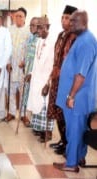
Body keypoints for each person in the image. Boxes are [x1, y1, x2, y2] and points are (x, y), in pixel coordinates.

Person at [54, 10, 97, 173]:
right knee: (78, 130)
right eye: (70, 21)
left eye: (74, 22)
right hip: (76, 96)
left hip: (78, 97)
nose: (70, 24)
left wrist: (71, 95)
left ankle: (71, 163)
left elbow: (81, 75)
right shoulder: (81, 39)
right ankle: (78, 157)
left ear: (84, 23)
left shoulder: (86, 42)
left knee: (74, 131)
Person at [47, 5, 77, 155]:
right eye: (63, 17)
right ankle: (63, 140)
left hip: (67, 82)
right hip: (56, 80)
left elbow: (71, 61)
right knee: (57, 111)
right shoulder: (61, 35)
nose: (63, 20)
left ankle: (68, 144)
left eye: (67, 18)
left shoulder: (75, 37)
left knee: (65, 113)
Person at [27, 17, 55, 142]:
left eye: (40, 28)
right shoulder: (38, 41)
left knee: (45, 106)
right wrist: (31, 73)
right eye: (36, 27)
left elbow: (55, 65)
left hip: (46, 80)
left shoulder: (53, 42)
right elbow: (35, 62)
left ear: (46, 28)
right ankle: (39, 128)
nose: (37, 30)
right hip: (37, 78)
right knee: (36, 104)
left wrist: (48, 83)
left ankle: (47, 133)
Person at [6, 7, 30, 122]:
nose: (18, 18)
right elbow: (6, 48)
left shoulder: (28, 32)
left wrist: (25, 62)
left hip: (22, 67)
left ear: (25, 18)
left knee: (22, 91)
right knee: (11, 90)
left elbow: (29, 50)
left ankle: (23, 114)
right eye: (16, 16)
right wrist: (8, 62)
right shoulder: (9, 30)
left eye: (21, 16)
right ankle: (11, 112)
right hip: (12, 66)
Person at [20, 17, 39, 127]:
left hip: (34, 73)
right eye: (30, 25)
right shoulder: (29, 38)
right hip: (26, 70)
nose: (31, 27)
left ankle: (31, 118)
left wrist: (32, 73)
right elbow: (25, 52)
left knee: (32, 95)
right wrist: (23, 62)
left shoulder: (39, 40)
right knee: (25, 94)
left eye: (33, 25)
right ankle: (24, 116)